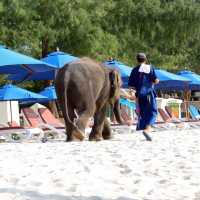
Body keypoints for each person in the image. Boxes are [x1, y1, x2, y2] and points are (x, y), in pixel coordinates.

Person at [128, 53, 159, 141]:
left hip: (139, 95)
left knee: (144, 112)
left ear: (137, 60)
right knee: (152, 112)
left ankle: (146, 128)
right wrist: (156, 81)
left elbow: (131, 86)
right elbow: (155, 80)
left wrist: (133, 94)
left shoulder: (134, 70)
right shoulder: (149, 67)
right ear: (145, 59)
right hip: (149, 93)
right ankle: (147, 129)